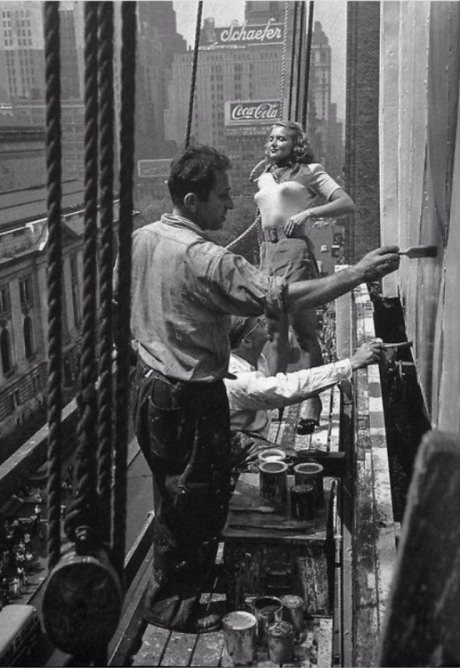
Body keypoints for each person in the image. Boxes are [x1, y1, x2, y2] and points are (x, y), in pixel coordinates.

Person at [126, 144, 398, 634]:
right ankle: (174, 607)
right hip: (190, 396)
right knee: (197, 499)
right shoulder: (205, 258)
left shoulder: (144, 239)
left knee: (174, 495)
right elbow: (283, 297)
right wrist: (358, 274)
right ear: (192, 199)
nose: (231, 206)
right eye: (222, 197)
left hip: (150, 391)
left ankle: (170, 596)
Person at [252, 120, 355, 435]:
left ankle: (312, 402)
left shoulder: (311, 171)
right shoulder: (264, 176)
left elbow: (346, 203)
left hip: (295, 250)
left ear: (296, 143)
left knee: (303, 330)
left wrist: (309, 214)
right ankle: (275, 402)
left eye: (281, 139)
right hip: (266, 253)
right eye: (270, 138)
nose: (273, 143)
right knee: (274, 333)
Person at [225, 315, 383, 452]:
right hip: (234, 443)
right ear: (246, 341)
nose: (264, 322)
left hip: (254, 433)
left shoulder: (255, 359)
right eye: (258, 323)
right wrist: (351, 363)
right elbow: (284, 388)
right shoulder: (235, 377)